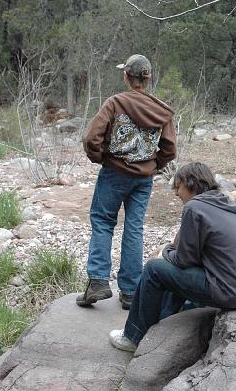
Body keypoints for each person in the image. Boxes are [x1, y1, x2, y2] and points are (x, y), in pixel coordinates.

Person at [108, 162, 236, 352]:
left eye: (178, 187)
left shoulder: (194, 207)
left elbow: (184, 260)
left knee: (153, 269)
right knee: (170, 271)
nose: (176, 193)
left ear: (191, 184)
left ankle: (133, 336)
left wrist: (165, 252)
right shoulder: (222, 202)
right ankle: (163, 324)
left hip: (230, 291)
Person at [76, 54, 176, 309]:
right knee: (134, 228)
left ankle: (98, 282)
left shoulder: (115, 102)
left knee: (102, 221)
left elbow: (91, 138)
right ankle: (130, 292)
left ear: (126, 76)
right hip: (143, 179)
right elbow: (170, 149)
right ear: (148, 79)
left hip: (114, 174)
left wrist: (101, 158)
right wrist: (153, 166)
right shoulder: (161, 111)